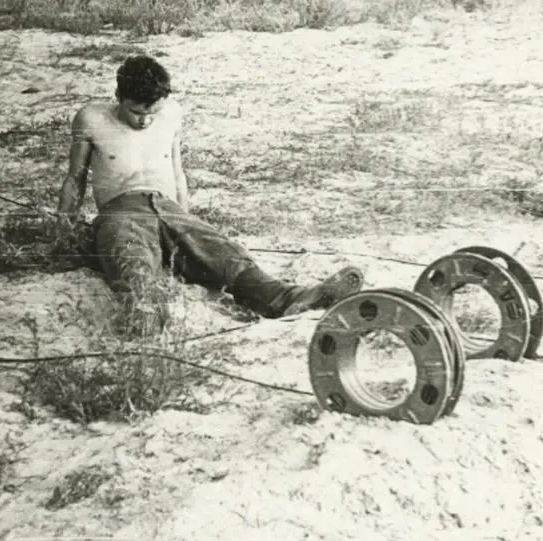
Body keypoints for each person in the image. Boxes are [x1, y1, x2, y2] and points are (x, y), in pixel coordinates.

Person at [53, 55, 364, 335]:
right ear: (119, 97)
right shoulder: (92, 119)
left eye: (152, 113)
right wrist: (63, 231)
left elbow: (177, 172)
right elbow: (75, 179)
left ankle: (291, 298)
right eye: (136, 112)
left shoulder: (171, 113)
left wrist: (187, 223)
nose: (145, 121)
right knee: (132, 260)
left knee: (224, 253)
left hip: (169, 207)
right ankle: (145, 314)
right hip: (121, 211)